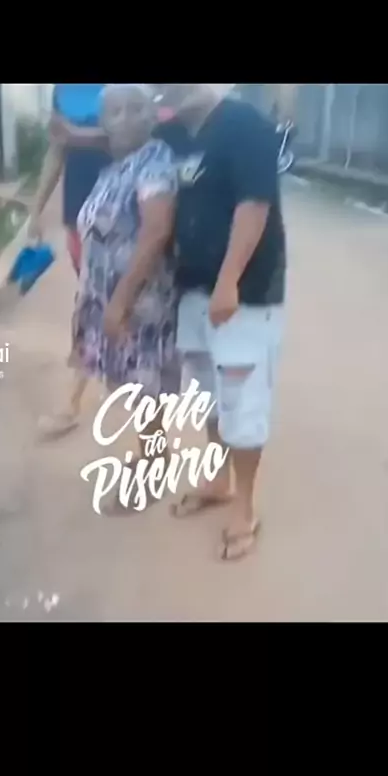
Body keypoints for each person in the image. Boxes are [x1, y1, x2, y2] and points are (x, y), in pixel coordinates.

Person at [153, 84, 286, 561]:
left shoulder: (246, 126)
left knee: (243, 402)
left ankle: (244, 509)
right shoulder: (172, 133)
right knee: (208, 395)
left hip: (243, 294)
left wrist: (229, 281)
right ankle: (217, 481)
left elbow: (254, 206)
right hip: (191, 289)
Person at [71, 84, 180, 501]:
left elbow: (156, 232)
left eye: (137, 108)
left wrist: (120, 302)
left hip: (140, 303)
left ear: (153, 116)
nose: (127, 118)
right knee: (132, 386)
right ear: (104, 121)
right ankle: (151, 454)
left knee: (144, 386)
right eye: (116, 111)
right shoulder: (116, 167)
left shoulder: (154, 162)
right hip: (110, 299)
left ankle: (155, 467)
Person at [29, 84, 110, 437]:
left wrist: (75, 134)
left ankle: (71, 401)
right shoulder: (62, 90)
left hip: (121, 212)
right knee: (94, 301)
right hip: (77, 215)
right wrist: (36, 208)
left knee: (99, 303)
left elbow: (136, 136)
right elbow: (57, 149)